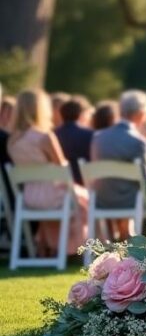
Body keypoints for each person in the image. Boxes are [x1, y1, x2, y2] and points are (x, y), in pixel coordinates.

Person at [6, 89, 88, 256]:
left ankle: (49, 247)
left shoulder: (12, 141)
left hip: (29, 198)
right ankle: (79, 250)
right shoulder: (44, 137)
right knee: (88, 200)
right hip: (53, 196)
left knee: (74, 200)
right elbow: (63, 169)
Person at [89, 90, 146, 241]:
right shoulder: (139, 141)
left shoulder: (98, 138)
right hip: (129, 202)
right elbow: (145, 181)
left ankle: (122, 238)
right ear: (141, 114)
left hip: (101, 199)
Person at [54, 97, 94, 185]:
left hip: (59, 183)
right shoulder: (90, 134)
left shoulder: (53, 134)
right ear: (81, 114)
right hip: (84, 183)